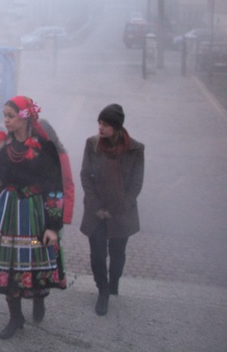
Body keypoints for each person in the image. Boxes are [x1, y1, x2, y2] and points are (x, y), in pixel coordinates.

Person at [0, 95, 66, 340]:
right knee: (8, 262)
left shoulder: (44, 148)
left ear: (25, 117)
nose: (5, 120)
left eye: (10, 116)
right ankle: (16, 317)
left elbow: (54, 187)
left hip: (34, 216)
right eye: (5, 115)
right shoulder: (1, 146)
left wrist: (52, 226)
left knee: (36, 252)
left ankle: (38, 295)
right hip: (4, 214)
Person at [80, 104, 144, 316]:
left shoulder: (135, 150)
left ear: (116, 127)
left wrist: (118, 208)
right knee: (97, 254)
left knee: (117, 253)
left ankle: (114, 280)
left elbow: (135, 183)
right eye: (99, 123)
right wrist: (96, 206)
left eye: (105, 124)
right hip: (96, 211)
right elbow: (85, 176)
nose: (100, 127)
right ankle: (103, 290)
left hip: (121, 211)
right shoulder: (92, 144)